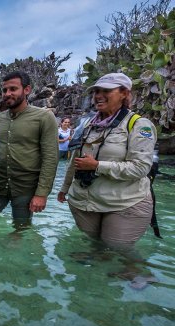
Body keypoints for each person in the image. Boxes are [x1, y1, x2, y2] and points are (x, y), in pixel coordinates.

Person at [57, 72, 157, 250]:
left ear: (124, 94)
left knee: (118, 253)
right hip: (85, 202)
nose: (98, 96)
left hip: (126, 202)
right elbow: (75, 160)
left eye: (106, 90)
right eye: (96, 91)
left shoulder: (139, 125)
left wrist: (97, 166)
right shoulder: (87, 125)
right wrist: (64, 188)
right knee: (94, 249)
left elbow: (141, 168)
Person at [0, 71, 59, 226]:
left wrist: (42, 193)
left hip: (25, 187)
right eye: (4, 90)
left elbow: (50, 157)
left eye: (13, 89)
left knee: (21, 229)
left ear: (27, 90)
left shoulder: (44, 117)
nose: (7, 94)